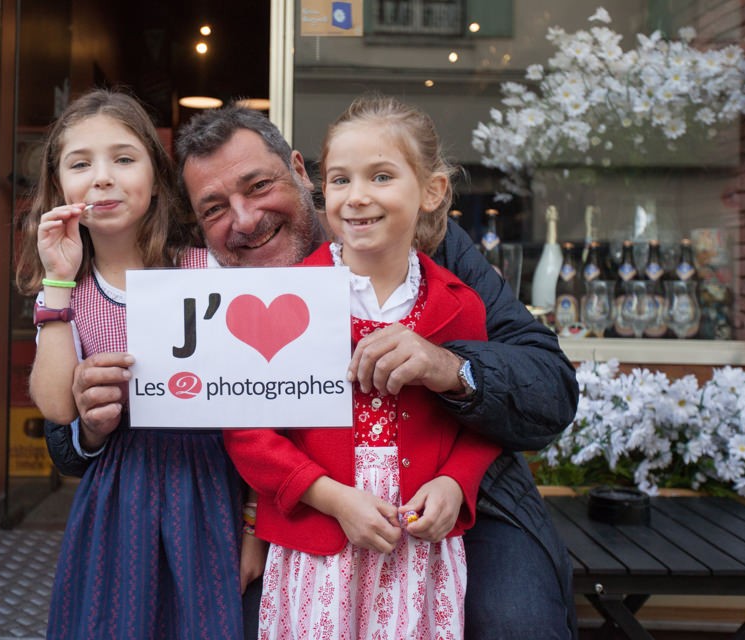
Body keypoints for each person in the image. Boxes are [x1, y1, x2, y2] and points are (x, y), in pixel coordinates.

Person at [46, 102, 580, 639]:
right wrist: (93, 422)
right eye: (214, 209)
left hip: (457, 503)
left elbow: (549, 387)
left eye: (258, 186)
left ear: (302, 173)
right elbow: (70, 439)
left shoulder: (420, 241)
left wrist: (450, 368)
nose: (246, 220)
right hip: (293, 513)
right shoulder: (196, 285)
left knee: (517, 623)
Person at [222, 94, 503, 637]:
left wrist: (455, 483)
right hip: (320, 538)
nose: (356, 197)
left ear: (431, 191)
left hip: (416, 548)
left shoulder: (459, 304)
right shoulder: (288, 297)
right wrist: (331, 496)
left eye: (380, 177)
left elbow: (483, 415)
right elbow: (247, 429)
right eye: (342, 180)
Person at [15, 88, 251, 639]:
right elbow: (54, 404)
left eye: (124, 159)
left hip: (209, 486)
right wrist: (56, 278)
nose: (103, 177)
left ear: (156, 174)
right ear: (58, 188)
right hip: (120, 498)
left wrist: (255, 523)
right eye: (81, 164)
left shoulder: (207, 269)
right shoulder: (66, 289)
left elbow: (256, 397)